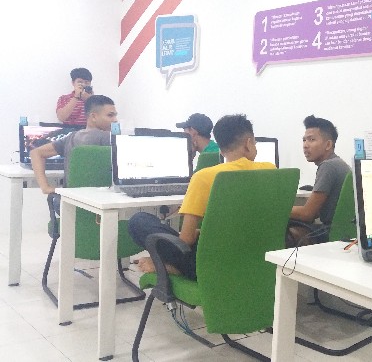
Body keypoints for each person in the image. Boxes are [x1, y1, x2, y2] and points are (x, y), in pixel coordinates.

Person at [128, 114, 274, 280]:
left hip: (211, 264)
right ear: (248, 143)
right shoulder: (270, 170)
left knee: (138, 221)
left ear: (221, 149)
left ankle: (174, 267)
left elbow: (186, 240)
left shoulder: (204, 177)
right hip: (254, 257)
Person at [31, 95, 117, 195]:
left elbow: (35, 153)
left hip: (70, 199)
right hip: (99, 198)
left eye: (115, 115)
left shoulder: (71, 137)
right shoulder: (109, 138)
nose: (115, 120)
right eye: (110, 115)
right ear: (93, 116)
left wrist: (45, 188)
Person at [287, 115, 351, 247]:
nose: (305, 145)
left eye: (311, 140)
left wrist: (278, 210)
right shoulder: (338, 163)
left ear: (328, 144)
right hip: (344, 232)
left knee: (285, 231)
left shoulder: (328, 166)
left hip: (331, 233)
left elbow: (308, 214)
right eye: (304, 140)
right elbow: (316, 211)